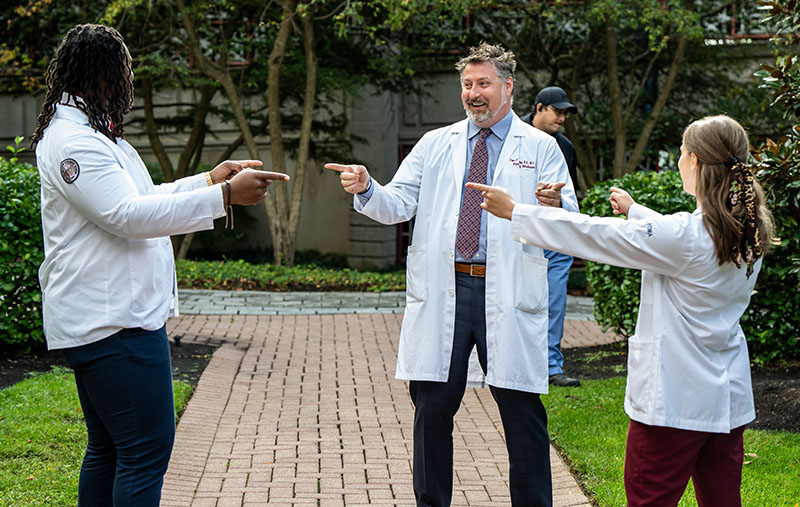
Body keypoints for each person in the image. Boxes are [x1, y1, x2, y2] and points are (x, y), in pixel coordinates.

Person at [30, 24, 290, 506]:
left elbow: (141, 198)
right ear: (103, 73)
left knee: (111, 449)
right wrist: (225, 196)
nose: (128, 84)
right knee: (145, 451)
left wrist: (209, 180)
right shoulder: (76, 142)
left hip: (113, 317)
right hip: (114, 323)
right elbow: (126, 215)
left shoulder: (92, 132)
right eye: (125, 72)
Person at [469, 114, 776, 507]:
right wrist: (636, 211)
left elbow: (597, 236)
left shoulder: (684, 237)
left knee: (649, 500)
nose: (680, 160)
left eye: (681, 154)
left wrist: (518, 212)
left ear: (695, 162)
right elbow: (674, 240)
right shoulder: (745, 229)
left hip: (673, 404)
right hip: (726, 402)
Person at [326, 42, 578, 507]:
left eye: (483, 84)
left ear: (508, 87)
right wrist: (366, 187)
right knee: (432, 409)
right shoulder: (434, 144)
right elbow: (398, 203)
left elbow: (568, 219)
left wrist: (551, 204)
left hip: (508, 292)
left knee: (522, 410)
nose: (473, 94)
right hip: (448, 291)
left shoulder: (541, 147)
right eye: (467, 84)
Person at [521, 86, 581, 387]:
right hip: (522, 236)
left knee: (555, 302)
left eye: (565, 113)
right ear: (539, 108)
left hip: (555, 239)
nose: (562, 118)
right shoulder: (514, 137)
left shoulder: (566, 147)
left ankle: (551, 367)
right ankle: (517, 364)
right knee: (517, 301)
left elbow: (569, 195)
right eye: (557, 111)